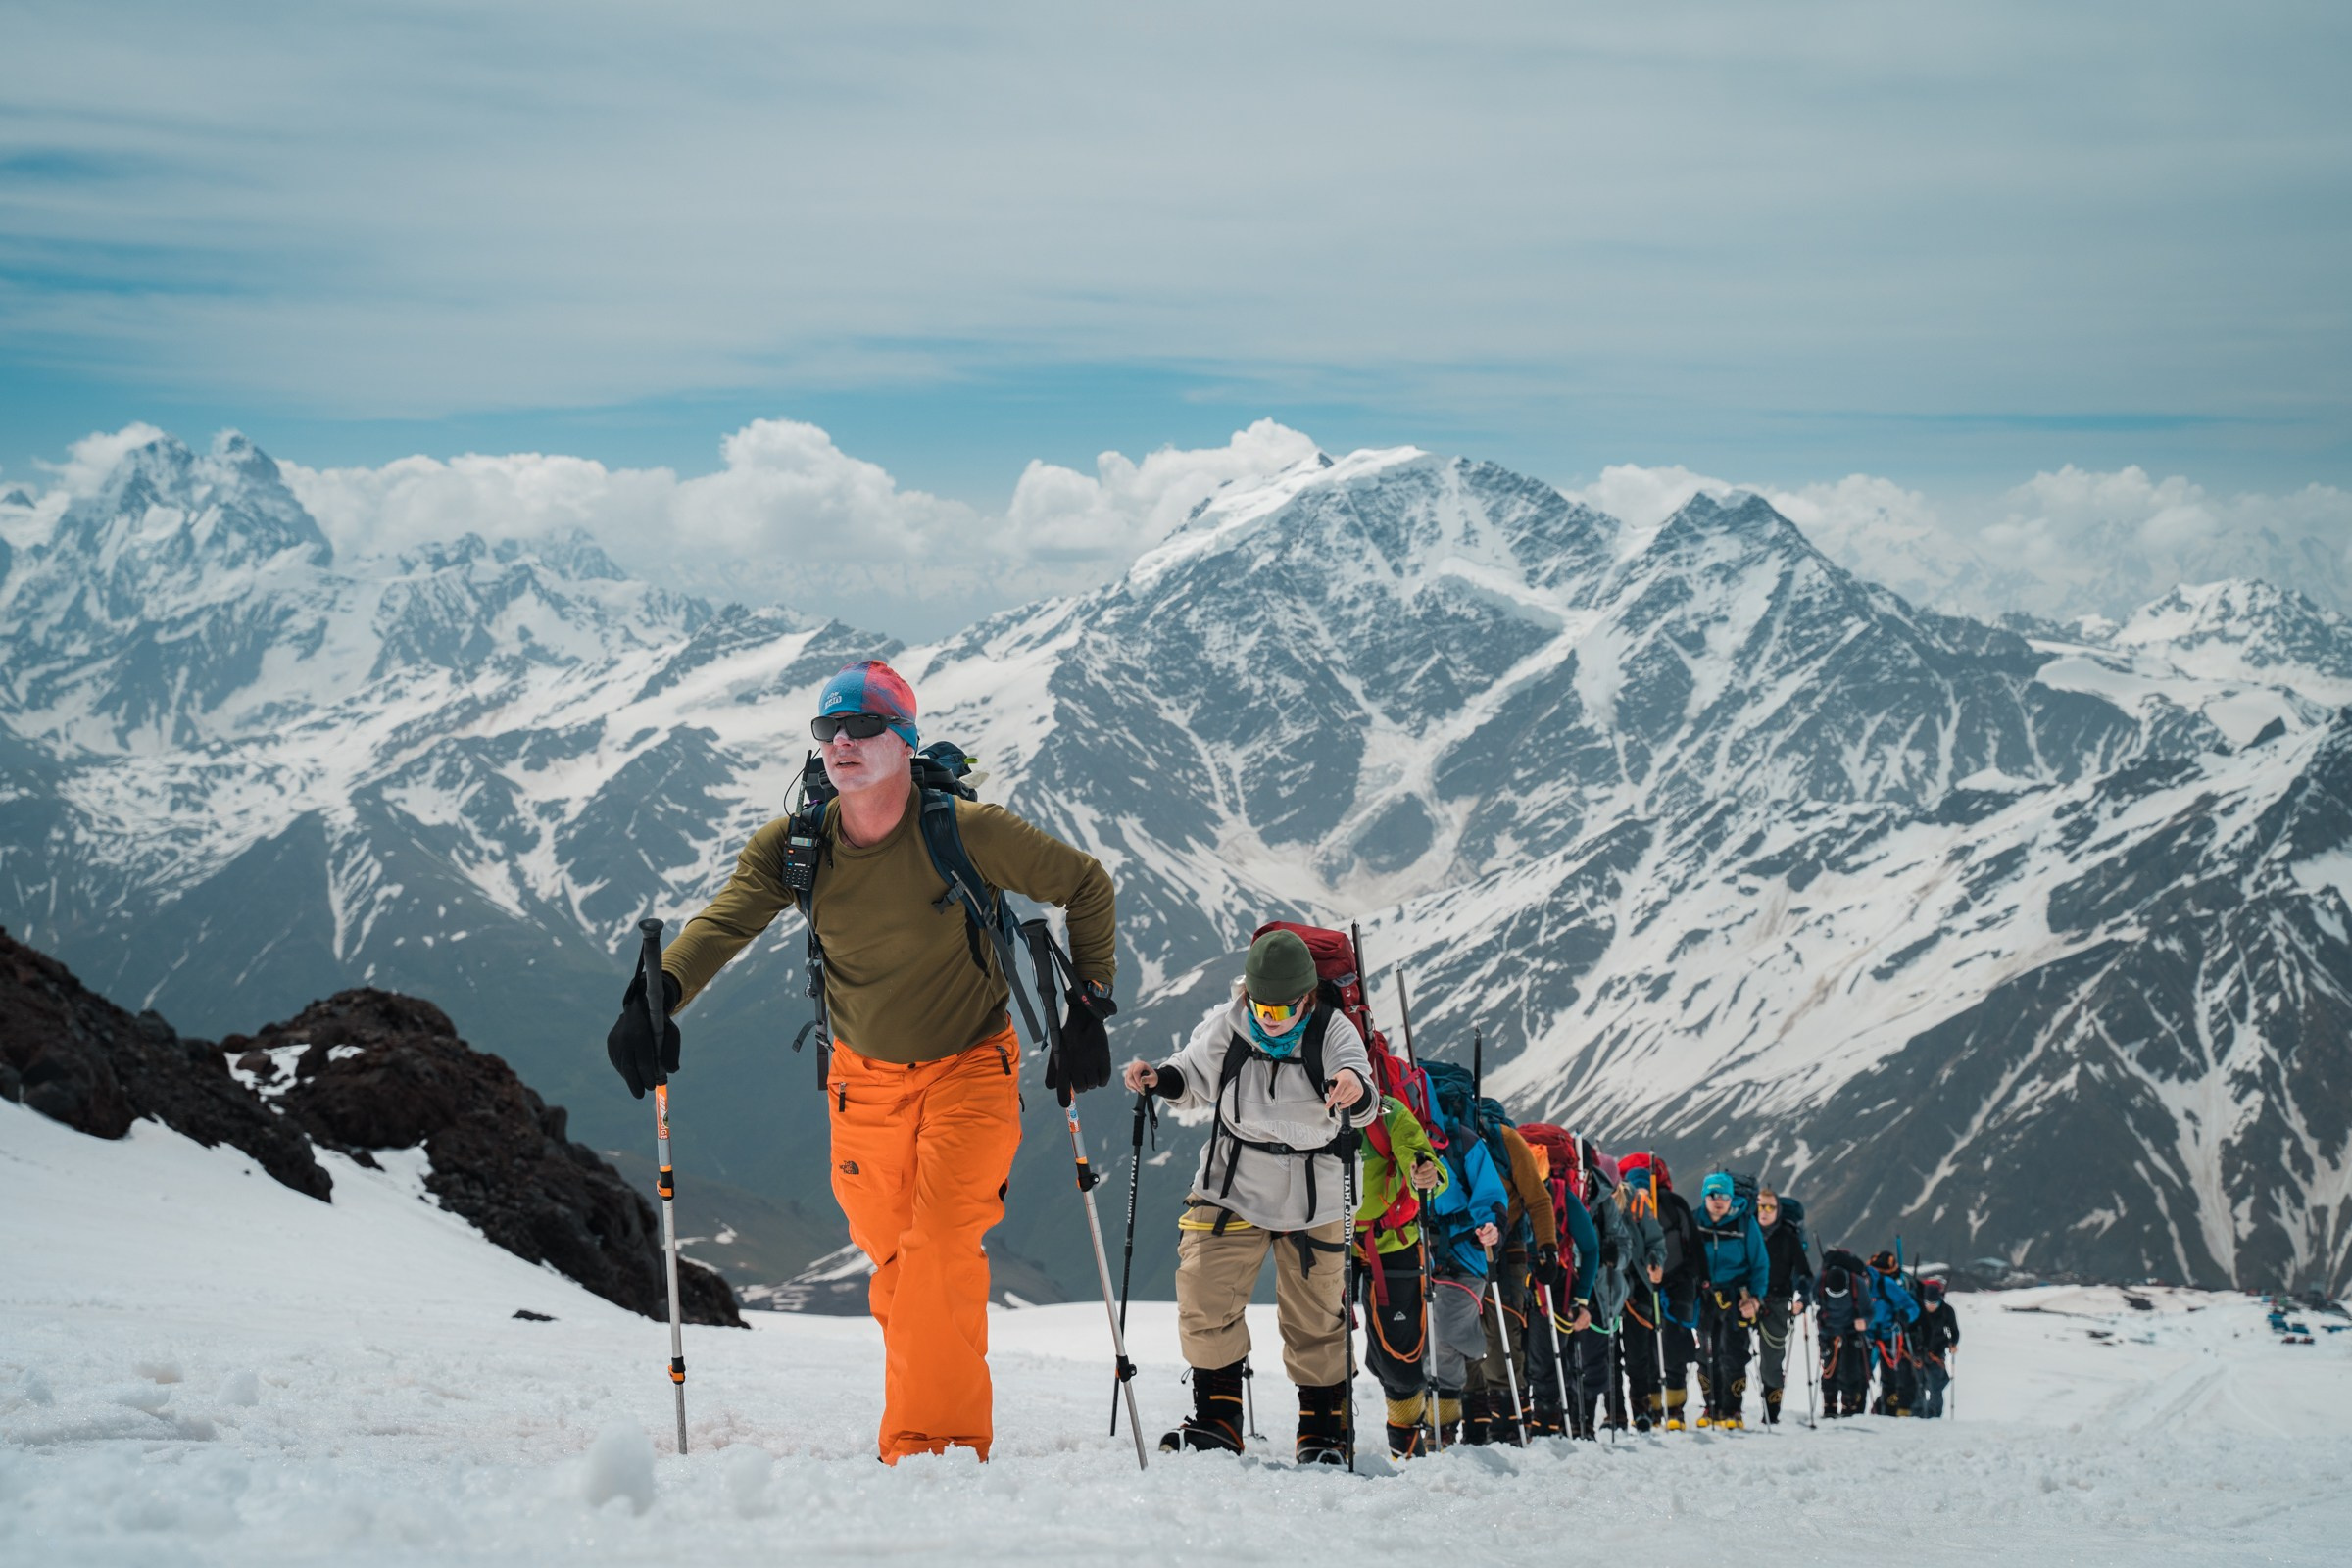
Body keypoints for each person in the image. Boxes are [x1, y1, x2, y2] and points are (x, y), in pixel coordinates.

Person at [606, 660, 1118, 1465]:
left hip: (971, 1069)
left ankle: (929, 1452)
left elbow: (1086, 886)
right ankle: (931, 1426)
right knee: (896, 1261)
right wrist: (655, 995)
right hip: (861, 1083)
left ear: (904, 740)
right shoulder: (799, 843)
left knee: (941, 1245)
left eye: (865, 726)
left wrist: (1090, 1002)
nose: (842, 740)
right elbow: (727, 920)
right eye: (829, 729)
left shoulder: (964, 830)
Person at [1123, 928, 1375, 1463]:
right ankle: (1217, 1421)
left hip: (1316, 1189)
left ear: (1307, 996)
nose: (1271, 1018)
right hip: (1234, 1181)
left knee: (1318, 1315)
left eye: (1284, 1008)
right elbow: (1191, 1074)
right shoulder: (1230, 1023)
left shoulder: (1335, 1031)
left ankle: (1324, 1429)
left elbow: (1365, 1093)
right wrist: (1159, 1080)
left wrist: (1354, 1086)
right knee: (1203, 1288)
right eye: (1261, 1005)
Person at [1353, 1088, 1449, 1457]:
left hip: (1391, 1239)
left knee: (1401, 1352)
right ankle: (1326, 1433)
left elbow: (1421, 1156)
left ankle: (1406, 1440)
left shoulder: (1388, 1110)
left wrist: (1427, 1174)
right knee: (1323, 1338)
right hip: (1333, 1234)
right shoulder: (1304, 1099)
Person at [1419, 1073, 1511, 1445]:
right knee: (1416, 1340)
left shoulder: (1465, 1143)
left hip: (1464, 1255)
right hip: (1414, 1253)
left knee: (1444, 1334)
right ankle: (1417, 1418)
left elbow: (1490, 1195)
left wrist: (1490, 1225)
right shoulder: (1391, 1139)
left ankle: (1439, 1429)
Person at [1472, 1117, 1568, 1445]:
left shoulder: (1504, 1140)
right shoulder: (1443, 1134)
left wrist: (1547, 1249)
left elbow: (1537, 1200)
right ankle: (1486, 1415)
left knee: (1500, 1329)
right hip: (1462, 1247)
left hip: (1507, 1244)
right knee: (1474, 1330)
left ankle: (1503, 1415)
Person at [1620, 1152, 1702, 1430]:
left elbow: (1693, 1249)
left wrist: (1695, 1282)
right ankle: (1656, 1409)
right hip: (1647, 1287)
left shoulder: (1670, 1205)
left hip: (1675, 1285)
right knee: (1650, 1350)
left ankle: (1674, 1409)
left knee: (1672, 1347)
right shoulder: (1633, 1209)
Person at [1691, 1172, 1768, 1429]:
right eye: (1713, 1195)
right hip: (1704, 1296)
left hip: (1737, 1297)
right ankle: (1710, 1406)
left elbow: (1760, 1265)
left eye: (1724, 1195)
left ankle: (1732, 1409)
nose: (1718, 1201)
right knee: (1705, 1353)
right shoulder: (1693, 1222)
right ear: (1705, 1196)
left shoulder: (1745, 1223)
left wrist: (1756, 1300)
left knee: (1733, 1353)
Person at [1754, 1186, 1815, 1425]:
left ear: (1778, 1210)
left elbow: (1804, 1274)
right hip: (1749, 1299)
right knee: (1733, 1353)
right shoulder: (1749, 1233)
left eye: (1770, 1207)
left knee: (1771, 1360)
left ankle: (1771, 1411)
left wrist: (1803, 1299)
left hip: (1777, 1301)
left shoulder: (1788, 1238)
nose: (1765, 1212)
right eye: (1761, 1207)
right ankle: (1732, 1407)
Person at [1864, 1250, 1921, 1416]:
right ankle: (1880, 1409)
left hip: (1887, 1336)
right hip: (1872, 1335)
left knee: (1889, 1379)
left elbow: (1912, 1308)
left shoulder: (1886, 1285)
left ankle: (1889, 1411)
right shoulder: (1875, 1283)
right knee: (1866, 1374)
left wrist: (1905, 1316)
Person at [1815, 1253, 1871, 1418]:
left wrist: (1865, 1321)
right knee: (1829, 1368)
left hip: (1850, 1332)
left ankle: (1848, 1406)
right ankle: (1830, 1405)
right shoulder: (1821, 1281)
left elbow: (1869, 1310)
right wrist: (1800, 1304)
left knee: (1850, 1369)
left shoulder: (1857, 1283)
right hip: (1828, 1331)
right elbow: (1806, 1295)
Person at [1912, 1277, 1960, 1418]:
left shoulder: (1947, 1311)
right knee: (1917, 1384)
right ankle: (1917, 1414)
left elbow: (1954, 1331)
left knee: (1935, 1387)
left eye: (1934, 1303)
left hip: (1937, 1353)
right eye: (1928, 1303)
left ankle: (1934, 1415)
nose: (1931, 1306)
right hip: (1918, 1353)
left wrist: (1953, 1343)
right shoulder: (1918, 1309)